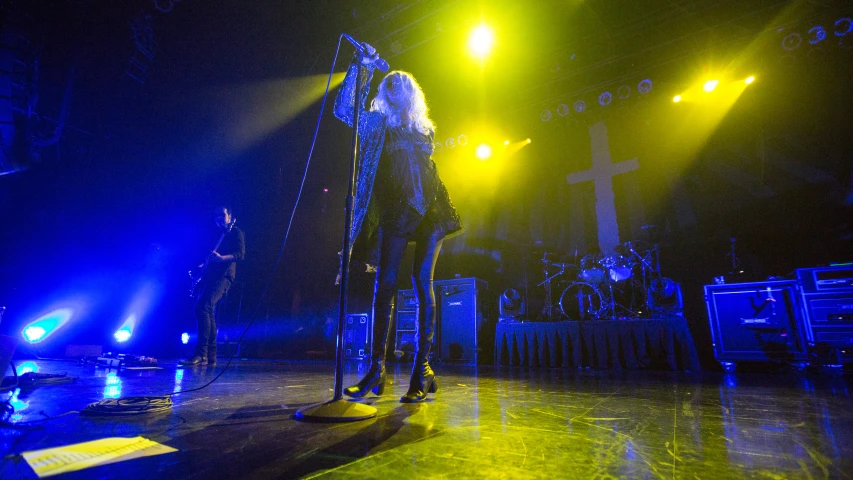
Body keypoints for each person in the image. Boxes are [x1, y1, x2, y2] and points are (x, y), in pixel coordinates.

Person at [333, 44, 462, 403]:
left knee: (422, 281)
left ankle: (422, 368)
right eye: (389, 85)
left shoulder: (425, 131)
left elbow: (425, 174)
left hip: (431, 211)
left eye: (400, 84)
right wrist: (363, 66)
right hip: (397, 213)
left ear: (411, 94)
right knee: (384, 285)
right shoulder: (377, 126)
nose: (395, 89)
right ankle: (377, 369)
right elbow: (344, 109)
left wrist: (424, 205)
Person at [181, 206, 245, 366]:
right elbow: (210, 258)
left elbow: (240, 255)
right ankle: (210, 354)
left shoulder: (236, 232)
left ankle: (201, 353)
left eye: (222, 215)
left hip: (224, 276)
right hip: (210, 276)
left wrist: (221, 258)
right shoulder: (217, 235)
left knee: (202, 307)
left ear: (230, 216)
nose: (219, 218)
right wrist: (199, 269)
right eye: (216, 216)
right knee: (207, 311)